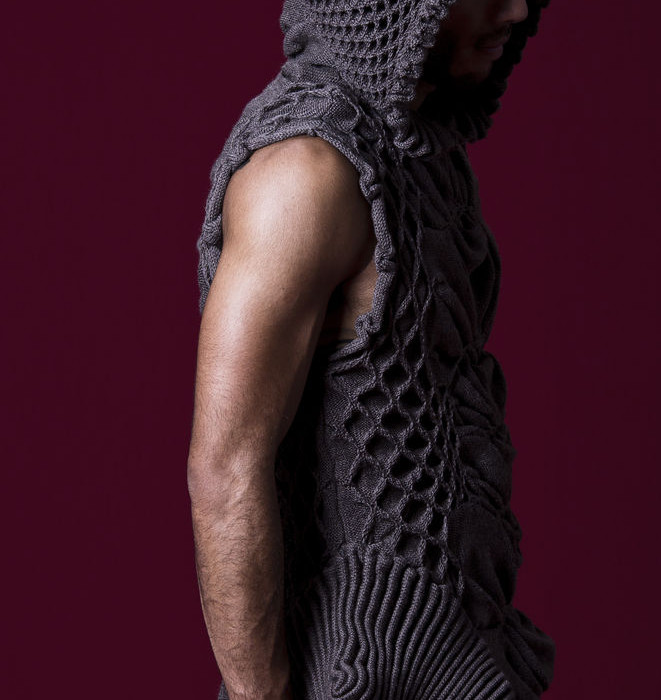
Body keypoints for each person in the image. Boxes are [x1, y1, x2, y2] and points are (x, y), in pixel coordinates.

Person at [187, 1, 555, 698]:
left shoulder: (415, 149)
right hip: (364, 671)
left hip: (459, 656)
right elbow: (226, 467)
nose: (515, 8)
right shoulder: (305, 171)